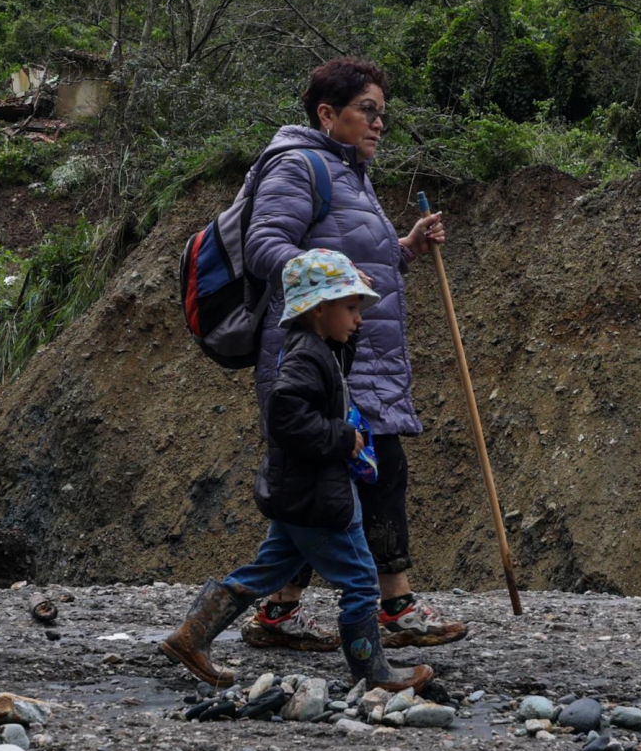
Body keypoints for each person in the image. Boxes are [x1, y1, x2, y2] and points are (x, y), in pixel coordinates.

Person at [235, 57, 469, 655]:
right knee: (377, 469)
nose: (378, 123)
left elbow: (356, 266)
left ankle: (279, 611)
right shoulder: (299, 165)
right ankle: (396, 606)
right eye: (367, 110)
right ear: (326, 113)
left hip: (360, 352)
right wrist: (333, 281)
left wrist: (406, 248)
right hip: (318, 356)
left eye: (381, 113)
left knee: (322, 483)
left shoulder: (350, 175)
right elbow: (265, 245)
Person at [160, 250, 437, 695]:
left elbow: (337, 363)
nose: (359, 318)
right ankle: (374, 673)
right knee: (360, 582)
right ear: (319, 309)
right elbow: (286, 418)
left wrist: (351, 311)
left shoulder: (316, 348)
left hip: (296, 493)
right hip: (317, 498)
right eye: (351, 308)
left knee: (265, 572)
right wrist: (342, 437)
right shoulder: (306, 358)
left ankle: (190, 637)